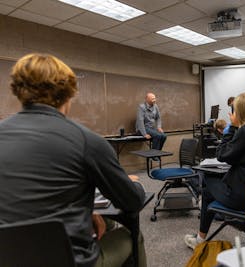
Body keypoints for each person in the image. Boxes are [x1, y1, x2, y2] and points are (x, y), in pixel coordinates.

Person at [0, 53, 147, 267]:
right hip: (68, 260)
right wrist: (135, 184)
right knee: (130, 236)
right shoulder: (88, 141)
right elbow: (132, 202)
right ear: (68, 94)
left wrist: (88, 212)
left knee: (104, 222)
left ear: (19, 90)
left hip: (8, 258)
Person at [184, 92, 245, 249]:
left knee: (208, 182)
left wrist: (232, 127)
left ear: (241, 112)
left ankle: (200, 238)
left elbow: (221, 155)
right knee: (214, 185)